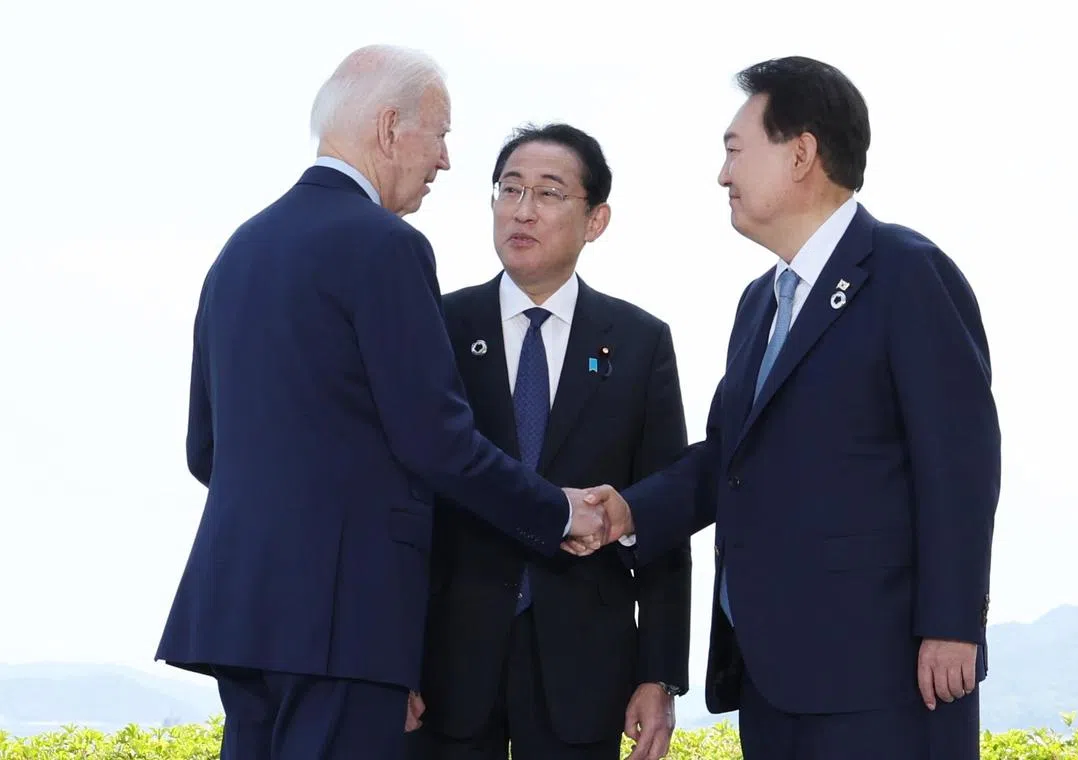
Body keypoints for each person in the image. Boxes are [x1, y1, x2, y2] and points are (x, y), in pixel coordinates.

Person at [153, 45, 609, 760]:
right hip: (343, 621)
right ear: (392, 128)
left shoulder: (239, 250)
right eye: (442, 134)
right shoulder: (385, 245)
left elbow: (204, 450)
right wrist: (556, 511)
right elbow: (436, 441)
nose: (447, 161)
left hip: (239, 616)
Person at [575, 56, 1001, 759]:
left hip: (884, 673)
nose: (722, 174)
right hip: (771, 678)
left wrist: (953, 622)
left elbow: (959, 458)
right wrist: (629, 511)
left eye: (735, 150)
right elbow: (727, 457)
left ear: (801, 152)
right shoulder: (759, 303)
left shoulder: (905, 272)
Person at [405, 124, 692, 760]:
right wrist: (391, 658)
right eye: (509, 190)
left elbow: (663, 511)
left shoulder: (641, 343)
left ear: (597, 219)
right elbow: (402, 500)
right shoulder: (438, 325)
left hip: (584, 669)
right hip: (444, 665)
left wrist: (659, 674)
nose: (522, 210)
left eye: (549, 193)